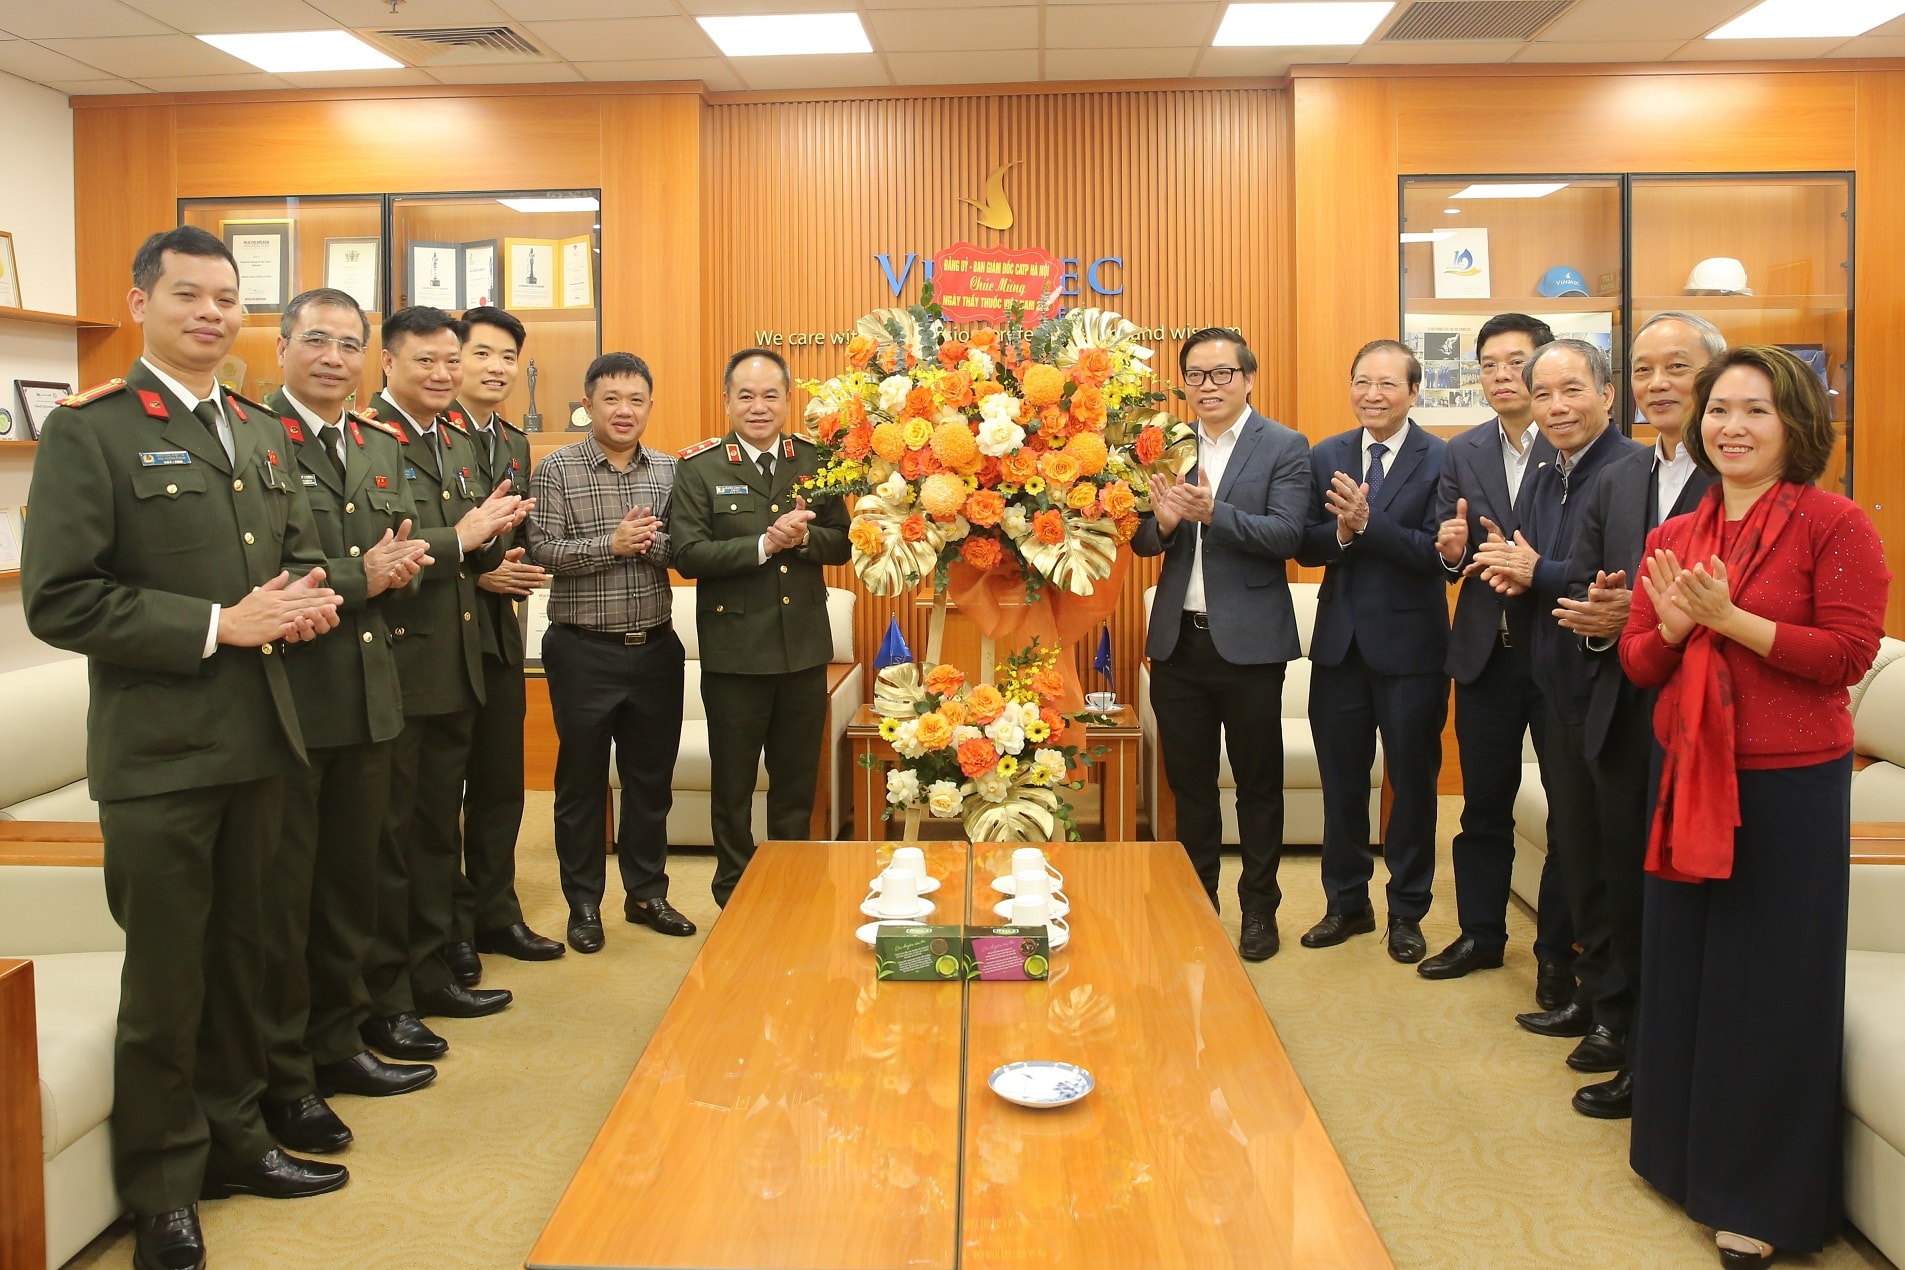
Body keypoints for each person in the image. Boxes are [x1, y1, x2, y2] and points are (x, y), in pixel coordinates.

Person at [22, 227, 348, 1270]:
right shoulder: (94, 430)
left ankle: (236, 1140)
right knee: (168, 979)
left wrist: (303, 601)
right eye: (188, 295)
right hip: (160, 754)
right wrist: (218, 625)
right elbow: (60, 599)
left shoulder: (255, 429)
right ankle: (163, 1185)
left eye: (226, 298)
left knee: (248, 959)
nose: (211, 314)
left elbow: (290, 557)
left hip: (263, 738)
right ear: (141, 303)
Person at [1621, 344, 1887, 1269]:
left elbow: (1845, 656)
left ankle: (1761, 1198)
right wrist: (1674, 625)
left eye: (1755, 411)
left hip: (1787, 785)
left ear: (1794, 425)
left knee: (1767, 988)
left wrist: (1729, 620)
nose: (1730, 428)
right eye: (1719, 410)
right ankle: (1679, 1158)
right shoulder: (1674, 533)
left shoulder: (1833, 522)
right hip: (1685, 772)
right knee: (1687, 969)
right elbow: (1639, 663)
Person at [258, 288, 438, 1158]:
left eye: (347, 344)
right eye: (316, 341)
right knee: (287, 900)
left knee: (350, 886)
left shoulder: (375, 444)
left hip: (370, 692)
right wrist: (363, 573)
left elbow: (403, 549)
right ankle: (286, 1077)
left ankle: (340, 1041)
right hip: (292, 701)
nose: (333, 358)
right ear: (282, 346)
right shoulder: (255, 438)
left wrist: (393, 567)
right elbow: (270, 568)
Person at [1550, 311, 1723, 1120]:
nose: (1658, 384)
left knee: (1680, 895)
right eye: (1645, 370)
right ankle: (1621, 1025)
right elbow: (1595, 586)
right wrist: (1600, 620)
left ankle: (1669, 1055)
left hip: (1707, 715)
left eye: (1676, 367)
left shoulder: (1737, 476)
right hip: (1622, 705)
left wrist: (1651, 618)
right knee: (1622, 878)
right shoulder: (1618, 476)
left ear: (1714, 376)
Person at [359, 306, 529, 1062]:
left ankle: (431, 974)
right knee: (390, 842)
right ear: (388, 363)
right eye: (424, 360)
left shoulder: (456, 443)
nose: (442, 373)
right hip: (397, 667)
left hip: (457, 663)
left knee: (433, 834)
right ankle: (387, 998)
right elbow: (370, 551)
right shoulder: (366, 440)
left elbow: (472, 550)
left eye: (448, 361)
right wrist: (460, 540)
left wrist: (488, 549)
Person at [1471, 339, 1645, 1073]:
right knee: (1576, 848)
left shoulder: (1630, 470)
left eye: (1571, 390)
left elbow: (1615, 577)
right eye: (1542, 394)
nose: (1555, 407)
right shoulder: (1549, 471)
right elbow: (1536, 561)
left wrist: (1536, 571)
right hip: (1556, 682)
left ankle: (1616, 1015)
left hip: (1609, 689)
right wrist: (1517, 570)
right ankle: (1589, 993)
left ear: (1606, 394)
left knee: (1607, 858)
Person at [1133, 326, 1311, 960]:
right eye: (1195, 376)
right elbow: (1142, 540)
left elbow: (1288, 535)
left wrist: (1216, 514)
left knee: (1259, 785)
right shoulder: (1168, 445)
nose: (1207, 386)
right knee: (1191, 787)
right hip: (1179, 644)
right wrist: (1163, 524)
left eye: (1221, 374)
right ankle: (1198, 903)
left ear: (1248, 379)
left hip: (1251, 646)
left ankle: (1259, 910)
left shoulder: (1284, 445)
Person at [1420, 313, 1575, 1005]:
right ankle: (1480, 934)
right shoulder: (1465, 449)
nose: (1502, 375)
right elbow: (1449, 545)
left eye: (1516, 361)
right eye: (1488, 364)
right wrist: (1451, 553)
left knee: (1568, 811)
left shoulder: (1575, 444)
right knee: (1482, 806)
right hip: (1486, 652)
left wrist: (1532, 567)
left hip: (1560, 650)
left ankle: (1556, 955)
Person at [524, 352, 696, 951]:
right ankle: (583, 905)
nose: (625, 410)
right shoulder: (556, 468)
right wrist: (612, 544)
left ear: (649, 406)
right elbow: (542, 550)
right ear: (588, 404)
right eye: (612, 399)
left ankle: (647, 894)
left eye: (636, 400)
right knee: (581, 783)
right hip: (581, 651)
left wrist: (648, 544)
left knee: (651, 782)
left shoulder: (670, 470)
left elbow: (684, 550)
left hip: (655, 649)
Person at [670, 347, 850, 907]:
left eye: (770, 395)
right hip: (735, 653)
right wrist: (764, 544)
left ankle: (792, 889)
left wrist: (806, 538)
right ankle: (734, 893)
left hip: (802, 649)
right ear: (726, 400)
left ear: (788, 399)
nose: (758, 406)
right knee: (733, 785)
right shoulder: (699, 467)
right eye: (745, 395)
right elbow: (687, 554)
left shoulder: (816, 461)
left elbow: (843, 543)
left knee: (795, 784)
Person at [1295, 339, 1449, 963]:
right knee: (1341, 785)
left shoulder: (1442, 458)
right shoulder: (1326, 454)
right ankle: (1347, 904)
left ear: (1413, 391)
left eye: (1387, 384)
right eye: (1362, 382)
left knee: (1412, 786)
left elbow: (1439, 554)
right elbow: (1304, 544)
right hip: (1339, 648)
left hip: (1413, 649)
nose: (1373, 394)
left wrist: (1366, 525)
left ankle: (1407, 911)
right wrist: (1337, 532)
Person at [440, 306, 563, 984]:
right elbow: (416, 539)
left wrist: (518, 568)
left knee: (499, 785)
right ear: (452, 359)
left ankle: (496, 911)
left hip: (501, 638)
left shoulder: (514, 442)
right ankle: (451, 928)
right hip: (442, 641)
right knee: (441, 797)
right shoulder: (428, 435)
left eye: (507, 357)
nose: (496, 368)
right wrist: (478, 573)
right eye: (482, 353)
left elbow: (514, 538)